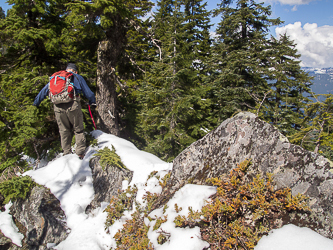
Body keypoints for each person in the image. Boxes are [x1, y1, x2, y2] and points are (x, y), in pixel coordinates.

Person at [33, 63, 96, 159]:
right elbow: (88, 92)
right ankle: (80, 153)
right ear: (75, 71)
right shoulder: (77, 77)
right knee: (78, 129)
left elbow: (44, 91)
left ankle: (66, 153)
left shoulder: (56, 78)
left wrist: (36, 103)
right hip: (73, 105)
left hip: (58, 107)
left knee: (64, 130)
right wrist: (92, 101)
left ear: (66, 70)